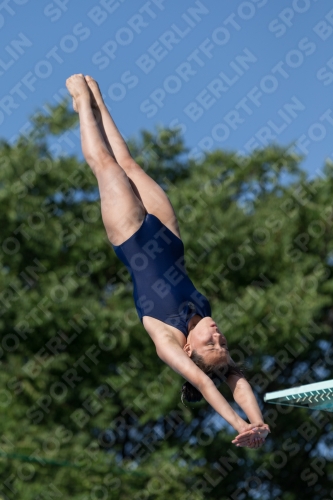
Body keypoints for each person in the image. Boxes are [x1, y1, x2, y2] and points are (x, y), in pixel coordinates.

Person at [65, 74, 270, 449]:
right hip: (168, 235)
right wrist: (259, 421)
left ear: (190, 350)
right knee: (127, 160)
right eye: (223, 341)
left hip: (131, 234)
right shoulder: (203, 325)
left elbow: (206, 382)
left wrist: (237, 424)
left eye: (213, 344)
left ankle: (79, 100)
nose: (218, 335)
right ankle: (94, 99)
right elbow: (234, 377)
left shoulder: (168, 340)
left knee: (105, 163)